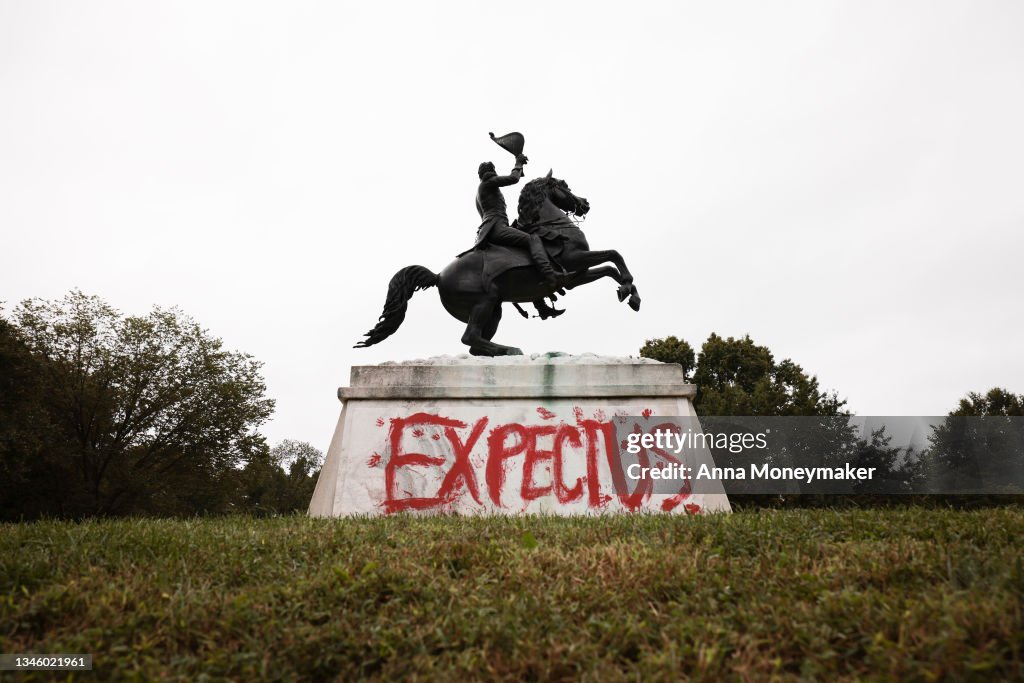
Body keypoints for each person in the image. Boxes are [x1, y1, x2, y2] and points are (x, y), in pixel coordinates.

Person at [473, 156, 559, 288]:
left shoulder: (480, 191)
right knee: (532, 239)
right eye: (493, 170)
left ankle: (538, 299)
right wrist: (518, 163)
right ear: (490, 171)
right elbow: (513, 178)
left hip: (491, 229)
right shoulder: (488, 181)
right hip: (497, 227)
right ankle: (550, 275)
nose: (495, 172)